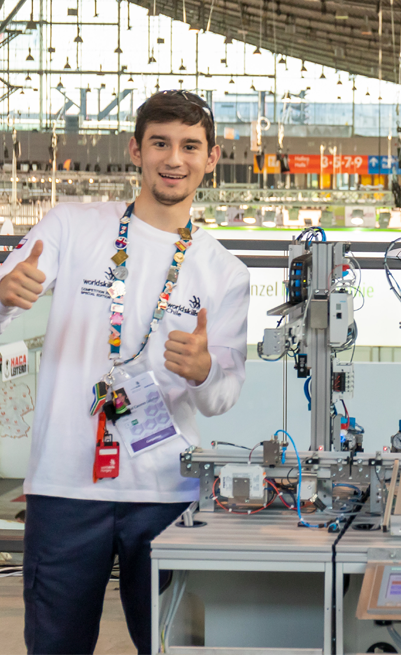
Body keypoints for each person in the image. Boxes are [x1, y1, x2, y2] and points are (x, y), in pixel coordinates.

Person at [0, 91, 251, 655]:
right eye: (160, 143)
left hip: (166, 492)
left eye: (190, 146)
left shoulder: (223, 272)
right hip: (66, 486)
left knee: (171, 647)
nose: (174, 159)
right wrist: (3, 294)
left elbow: (223, 395)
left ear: (211, 158)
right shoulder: (72, 226)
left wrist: (206, 370)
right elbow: (6, 301)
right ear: (136, 150)